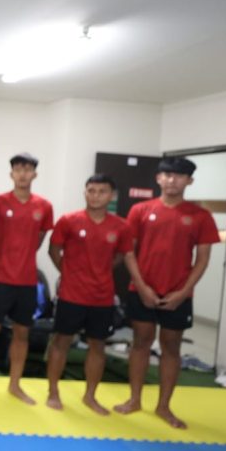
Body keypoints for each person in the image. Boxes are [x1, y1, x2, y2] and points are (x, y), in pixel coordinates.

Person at [115, 157, 220, 429]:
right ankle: (134, 399)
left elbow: (204, 259)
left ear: (189, 181)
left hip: (179, 294)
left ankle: (164, 407)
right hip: (142, 289)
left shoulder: (201, 216)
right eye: (167, 175)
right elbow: (129, 252)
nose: (172, 180)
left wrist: (184, 292)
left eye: (179, 176)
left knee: (171, 347)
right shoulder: (140, 210)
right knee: (141, 342)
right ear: (158, 179)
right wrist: (141, 286)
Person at [46, 174, 133, 414]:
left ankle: (90, 396)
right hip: (70, 295)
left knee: (97, 345)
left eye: (101, 191)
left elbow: (120, 256)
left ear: (112, 196)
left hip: (102, 297)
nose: (95, 196)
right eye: (91, 191)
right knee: (61, 342)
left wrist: (100, 272)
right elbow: (54, 250)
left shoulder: (121, 226)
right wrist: (69, 273)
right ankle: (53, 392)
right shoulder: (68, 221)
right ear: (85, 193)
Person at [0, 153, 54, 404]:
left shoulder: (43, 206)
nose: (22, 174)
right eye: (18, 169)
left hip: (27, 281)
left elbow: (40, 238)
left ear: (35, 174)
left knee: (22, 333)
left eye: (27, 169)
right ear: (11, 174)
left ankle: (15, 384)